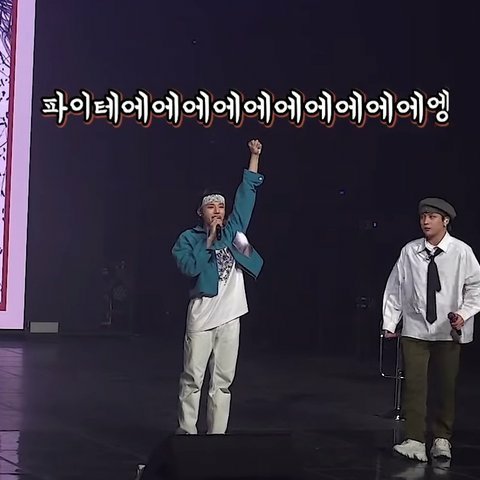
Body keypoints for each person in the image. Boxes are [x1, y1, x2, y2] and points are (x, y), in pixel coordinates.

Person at [171, 139, 265, 435]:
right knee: (193, 379)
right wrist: (209, 242)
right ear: (200, 211)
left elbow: (247, 194)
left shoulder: (234, 232)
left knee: (222, 382)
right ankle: (187, 433)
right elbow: (189, 268)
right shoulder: (189, 239)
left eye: (221, 206)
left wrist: (254, 156)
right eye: (211, 206)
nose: (217, 211)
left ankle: (216, 437)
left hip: (230, 316)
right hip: (202, 317)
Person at [382, 198, 480, 461]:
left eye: (432, 217)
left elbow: (476, 287)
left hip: (447, 330)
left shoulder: (461, 252)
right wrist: (390, 322)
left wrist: (464, 314)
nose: (426, 221)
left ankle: (441, 439)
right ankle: (415, 439)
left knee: (445, 386)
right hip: (415, 328)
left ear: (445, 221)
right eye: (423, 216)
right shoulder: (410, 251)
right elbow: (396, 287)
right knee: (415, 386)